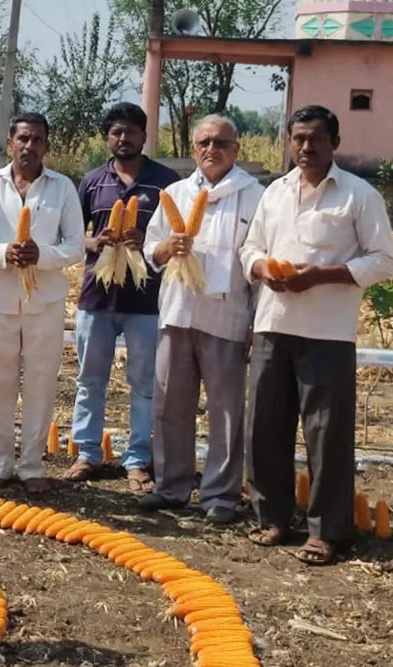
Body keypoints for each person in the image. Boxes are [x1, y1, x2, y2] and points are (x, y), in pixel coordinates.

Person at [240, 105, 393, 565]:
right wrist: (263, 266)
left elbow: (384, 260)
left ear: (335, 143)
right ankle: (272, 517)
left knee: (326, 433)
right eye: (298, 138)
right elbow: (250, 247)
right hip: (273, 322)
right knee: (265, 425)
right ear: (289, 142)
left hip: (327, 330)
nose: (306, 147)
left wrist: (323, 275)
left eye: (316, 139)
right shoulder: (275, 192)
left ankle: (329, 531)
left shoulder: (357, 195)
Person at [141, 115, 263, 524]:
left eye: (221, 143)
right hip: (177, 311)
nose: (212, 149)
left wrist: (254, 322)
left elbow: (258, 260)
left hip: (227, 315)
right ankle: (171, 486)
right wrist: (165, 247)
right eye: (204, 143)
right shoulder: (174, 193)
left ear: (237, 149)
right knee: (169, 403)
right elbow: (148, 251)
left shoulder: (254, 196)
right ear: (193, 149)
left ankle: (220, 495)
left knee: (226, 411)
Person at [0, 112, 84, 494]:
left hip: (44, 302)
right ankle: (0, 462)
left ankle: (33, 464)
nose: (29, 146)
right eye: (23, 139)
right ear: (9, 144)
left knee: (40, 382)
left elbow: (75, 246)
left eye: (37, 140)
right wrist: (3, 252)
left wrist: (41, 255)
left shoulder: (62, 188)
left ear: (47, 145)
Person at [65, 102, 180, 492]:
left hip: (146, 301)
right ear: (106, 137)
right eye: (116, 131)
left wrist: (147, 242)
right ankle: (87, 453)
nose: (124, 138)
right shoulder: (92, 181)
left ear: (144, 136)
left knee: (145, 384)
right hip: (97, 297)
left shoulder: (166, 183)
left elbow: (176, 237)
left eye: (131, 131)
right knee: (89, 380)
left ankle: (137, 459)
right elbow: (73, 234)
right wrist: (94, 241)